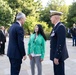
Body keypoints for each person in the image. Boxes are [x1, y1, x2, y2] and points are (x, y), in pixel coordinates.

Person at [50, 10, 69, 75]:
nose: (50, 19)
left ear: (55, 17)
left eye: (51, 17)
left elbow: (61, 43)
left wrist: (57, 56)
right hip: (55, 55)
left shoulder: (60, 27)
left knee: (59, 72)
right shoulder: (55, 27)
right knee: (56, 72)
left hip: (58, 56)